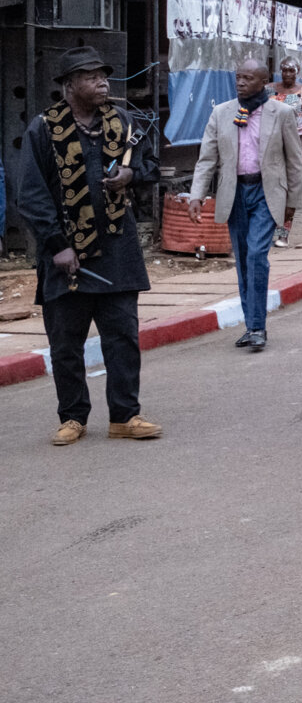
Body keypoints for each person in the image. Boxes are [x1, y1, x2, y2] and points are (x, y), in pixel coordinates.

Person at [19, 47, 160, 445]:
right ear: (69, 86)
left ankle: (124, 416)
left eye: (103, 75)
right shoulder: (43, 129)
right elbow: (30, 195)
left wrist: (130, 173)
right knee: (66, 343)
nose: (103, 82)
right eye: (91, 76)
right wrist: (57, 245)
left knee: (123, 338)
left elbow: (150, 165)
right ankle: (73, 417)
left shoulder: (123, 122)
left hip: (117, 251)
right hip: (66, 256)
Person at [188, 58, 302, 353]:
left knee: (255, 255)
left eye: (248, 78)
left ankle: (257, 327)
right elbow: (207, 159)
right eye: (238, 77)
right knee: (242, 260)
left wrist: (293, 202)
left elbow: (295, 161)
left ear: (262, 83)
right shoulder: (221, 113)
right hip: (234, 193)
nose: (240, 82)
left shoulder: (281, 113)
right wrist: (196, 195)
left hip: (267, 193)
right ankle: (251, 324)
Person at [268, 60, 302, 247]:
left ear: (298, 71)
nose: (287, 73)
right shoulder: (268, 90)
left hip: (297, 142)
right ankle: (269, 227)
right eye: (284, 70)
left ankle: (283, 233)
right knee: (272, 183)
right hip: (272, 142)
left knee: (293, 186)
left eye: (291, 70)